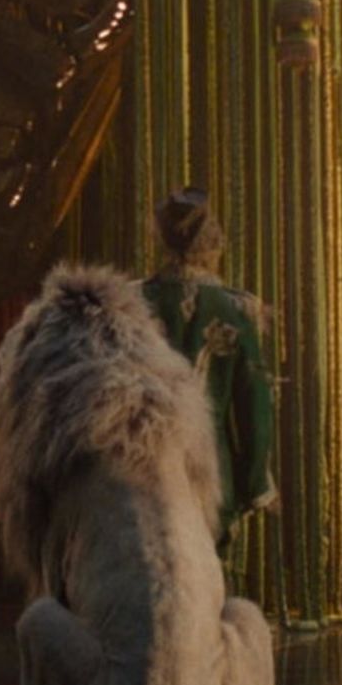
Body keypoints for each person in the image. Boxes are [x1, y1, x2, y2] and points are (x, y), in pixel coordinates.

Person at [140, 187, 276, 560]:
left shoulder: (133, 302)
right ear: (213, 241)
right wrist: (255, 484)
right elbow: (254, 410)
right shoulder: (237, 310)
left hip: (143, 476)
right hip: (211, 479)